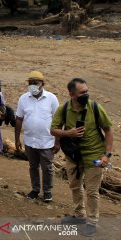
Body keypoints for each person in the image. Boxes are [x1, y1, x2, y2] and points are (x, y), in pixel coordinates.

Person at [50, 78, 113, 237]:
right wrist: (67, 133)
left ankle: (92, 222)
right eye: (82, 92)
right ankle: (79, 216)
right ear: (72, 94)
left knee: (92, 191)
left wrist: (107, 155)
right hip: (73, 157)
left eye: (87, 91)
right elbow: (53, 129)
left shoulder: (95, 107)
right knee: (74, 186)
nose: (86, 94)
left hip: (94, 157)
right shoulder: (64, 109)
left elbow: (108, 130)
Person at [15, 71, 59, 203]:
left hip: (47, 141)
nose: (32, 86)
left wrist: (58, 142)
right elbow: (18, 119)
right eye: (30, 83)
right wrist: (17, 139)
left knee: (47, 168)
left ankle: (47, 191)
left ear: (42, 84)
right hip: (29, 141)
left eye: (36, 83)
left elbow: (58, 121)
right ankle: (35, 189)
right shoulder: (23, 98)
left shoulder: (51, 98)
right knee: (33, 166)